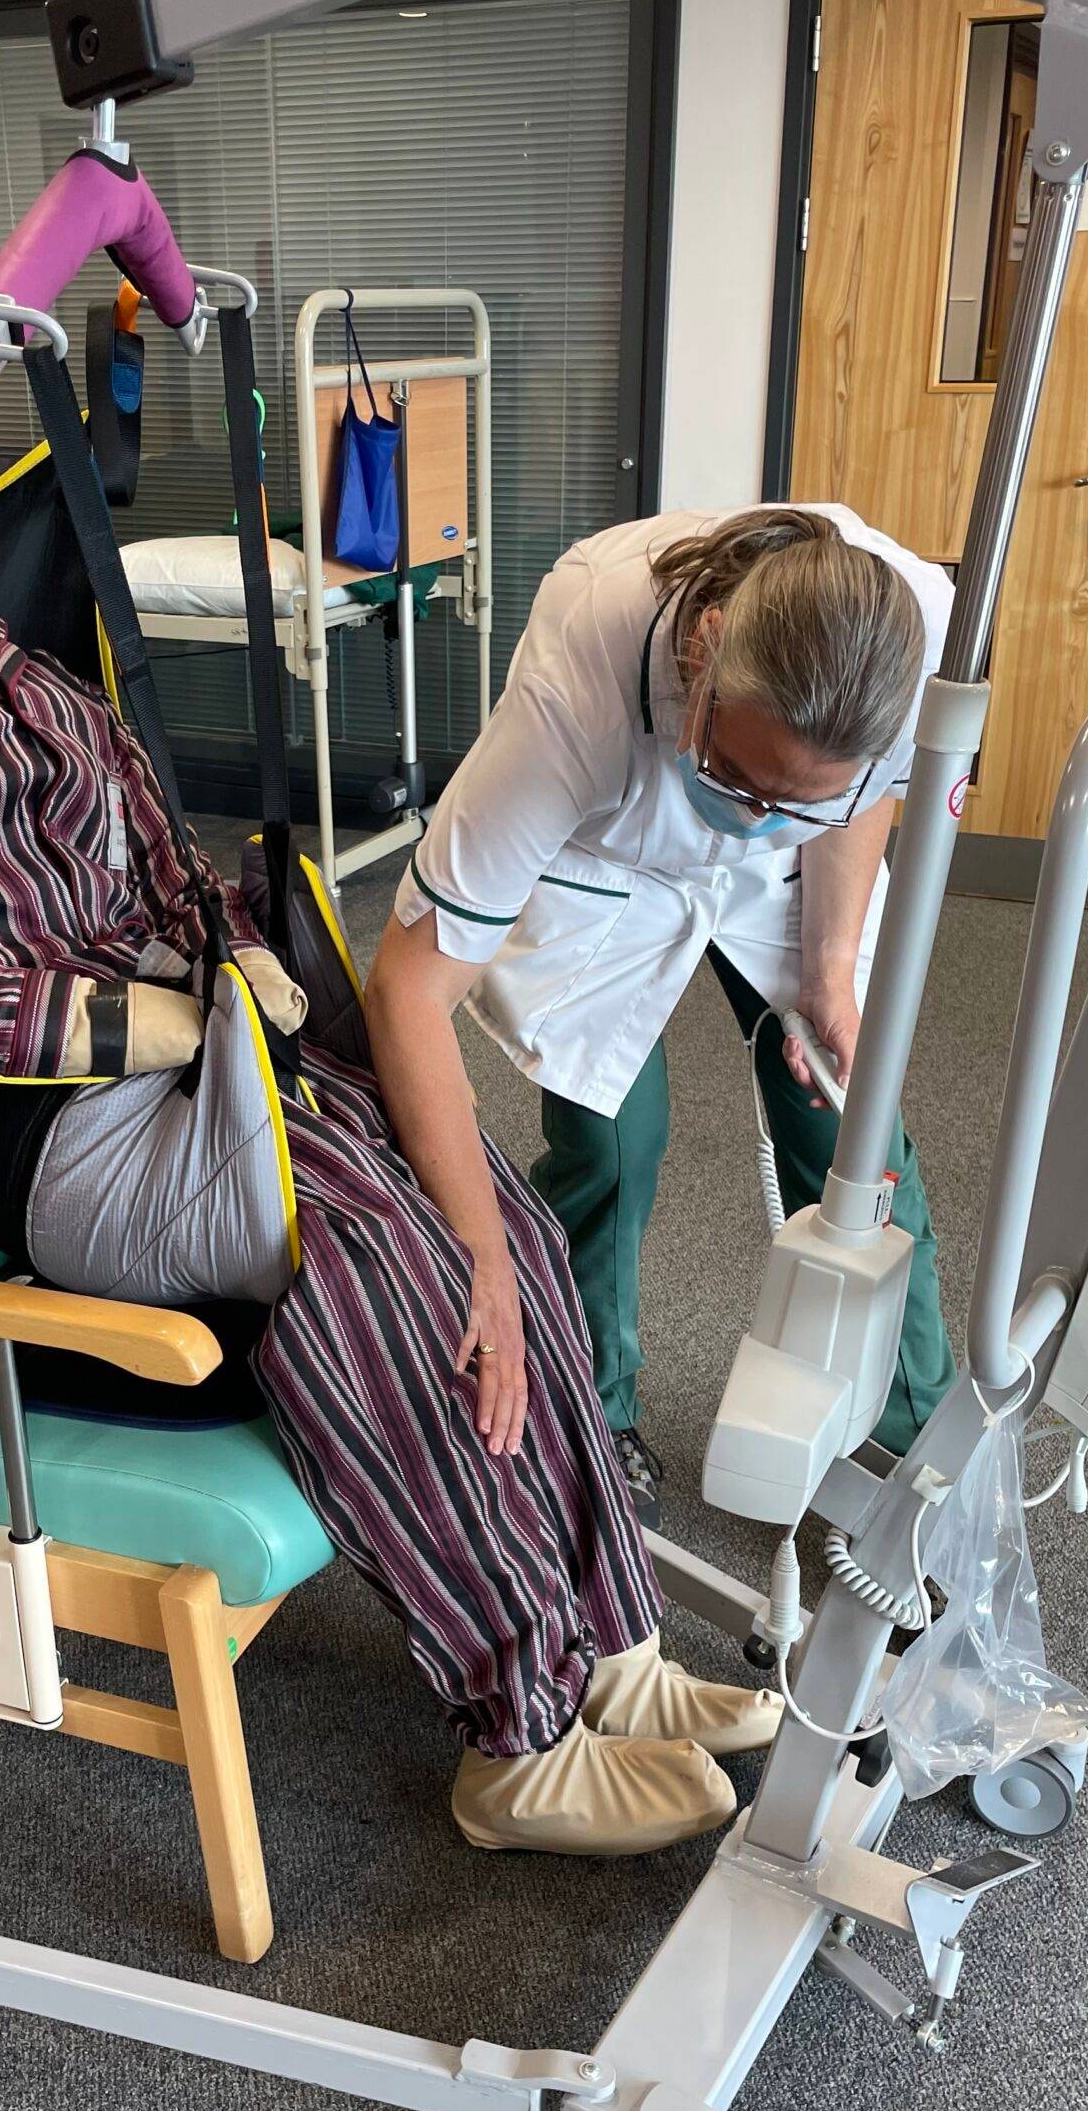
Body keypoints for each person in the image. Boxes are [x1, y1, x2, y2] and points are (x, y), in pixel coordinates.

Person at [0, 331, 784, 1862]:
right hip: (52, 1119)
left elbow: (146, 848)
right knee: (370, 1261)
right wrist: (116, 1020)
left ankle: (611, 1644)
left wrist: (237, 948)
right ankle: (519, 1738)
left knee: (484, 1208)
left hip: (193, 1039)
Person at [364, 506, 960, 1525]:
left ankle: (918, 1448)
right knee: (610, 1140)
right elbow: (408, 988)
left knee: (849, 1128)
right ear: (702, 652)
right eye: (743, 778)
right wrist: (482, 1257)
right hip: (610, 852)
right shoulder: (581, 674)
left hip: (796, 870)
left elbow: (864, 791)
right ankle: (592, 1409)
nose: (758, 812)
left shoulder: (921, 632)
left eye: (793, 792)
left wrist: (828, 969)